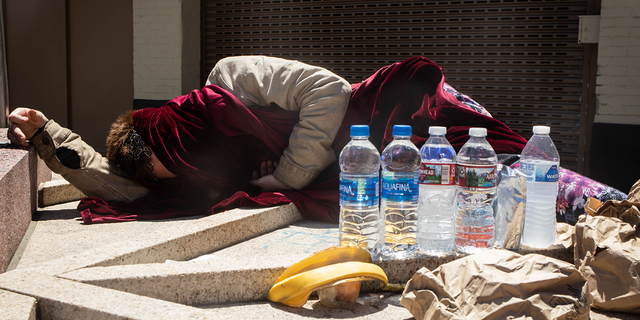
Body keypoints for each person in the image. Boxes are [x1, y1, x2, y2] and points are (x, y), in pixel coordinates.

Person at [8, 56, 528, 223]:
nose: (192, 176)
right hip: (358, 172)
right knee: (492, 208)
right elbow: (120, 187)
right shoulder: (180, 170)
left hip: (398, 113)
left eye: (182, 163)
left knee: (524, 175)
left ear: (173, 135)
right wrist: (47, 135)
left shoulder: (229, 79)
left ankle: (590, 199)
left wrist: (287, 176)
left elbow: (327, 91)